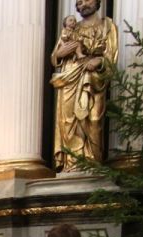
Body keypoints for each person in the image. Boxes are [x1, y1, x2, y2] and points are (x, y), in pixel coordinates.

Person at [50, 0, 119, 171]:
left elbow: (111, 56)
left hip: (93, 78)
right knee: (68, 120)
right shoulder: (72, 27)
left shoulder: (107, 26)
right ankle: (72, 164)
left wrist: (99, 61)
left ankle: (93, 162)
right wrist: (60, 53)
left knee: (93, 120)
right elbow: (55, 55)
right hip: (70, 77)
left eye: (87, 0)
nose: (83, 4)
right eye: (79, 2)